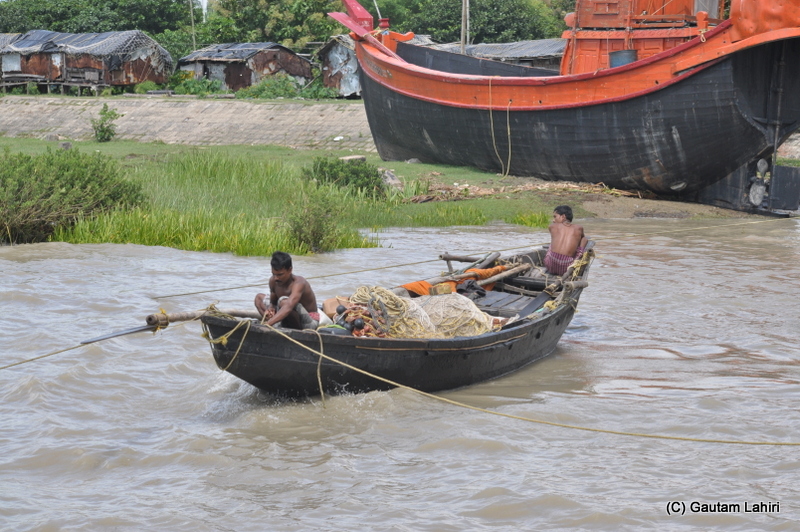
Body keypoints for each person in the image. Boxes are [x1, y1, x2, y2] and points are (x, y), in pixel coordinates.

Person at [254, 251, 320, 329]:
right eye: (274, 274)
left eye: (280, 275)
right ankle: (275, 324)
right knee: (258, 298)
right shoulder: (273, 281)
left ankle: (278, 325)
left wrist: (267, 324)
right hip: (284, 311)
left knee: (283, 301)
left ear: (290, 270)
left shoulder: (299, 283)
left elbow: (288, 306)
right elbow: (273, 301)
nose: (276, 278)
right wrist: (270, 309)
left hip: (308, 322)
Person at [544, 205, 588, 276]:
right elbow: (583, 238)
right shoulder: (579, 228)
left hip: (551, 266)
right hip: (567, 268)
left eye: (555, 216)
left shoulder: (552, 226)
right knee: (584, 240)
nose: (553, 220)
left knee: (551, 246)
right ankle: (578, 258)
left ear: (563, 216)